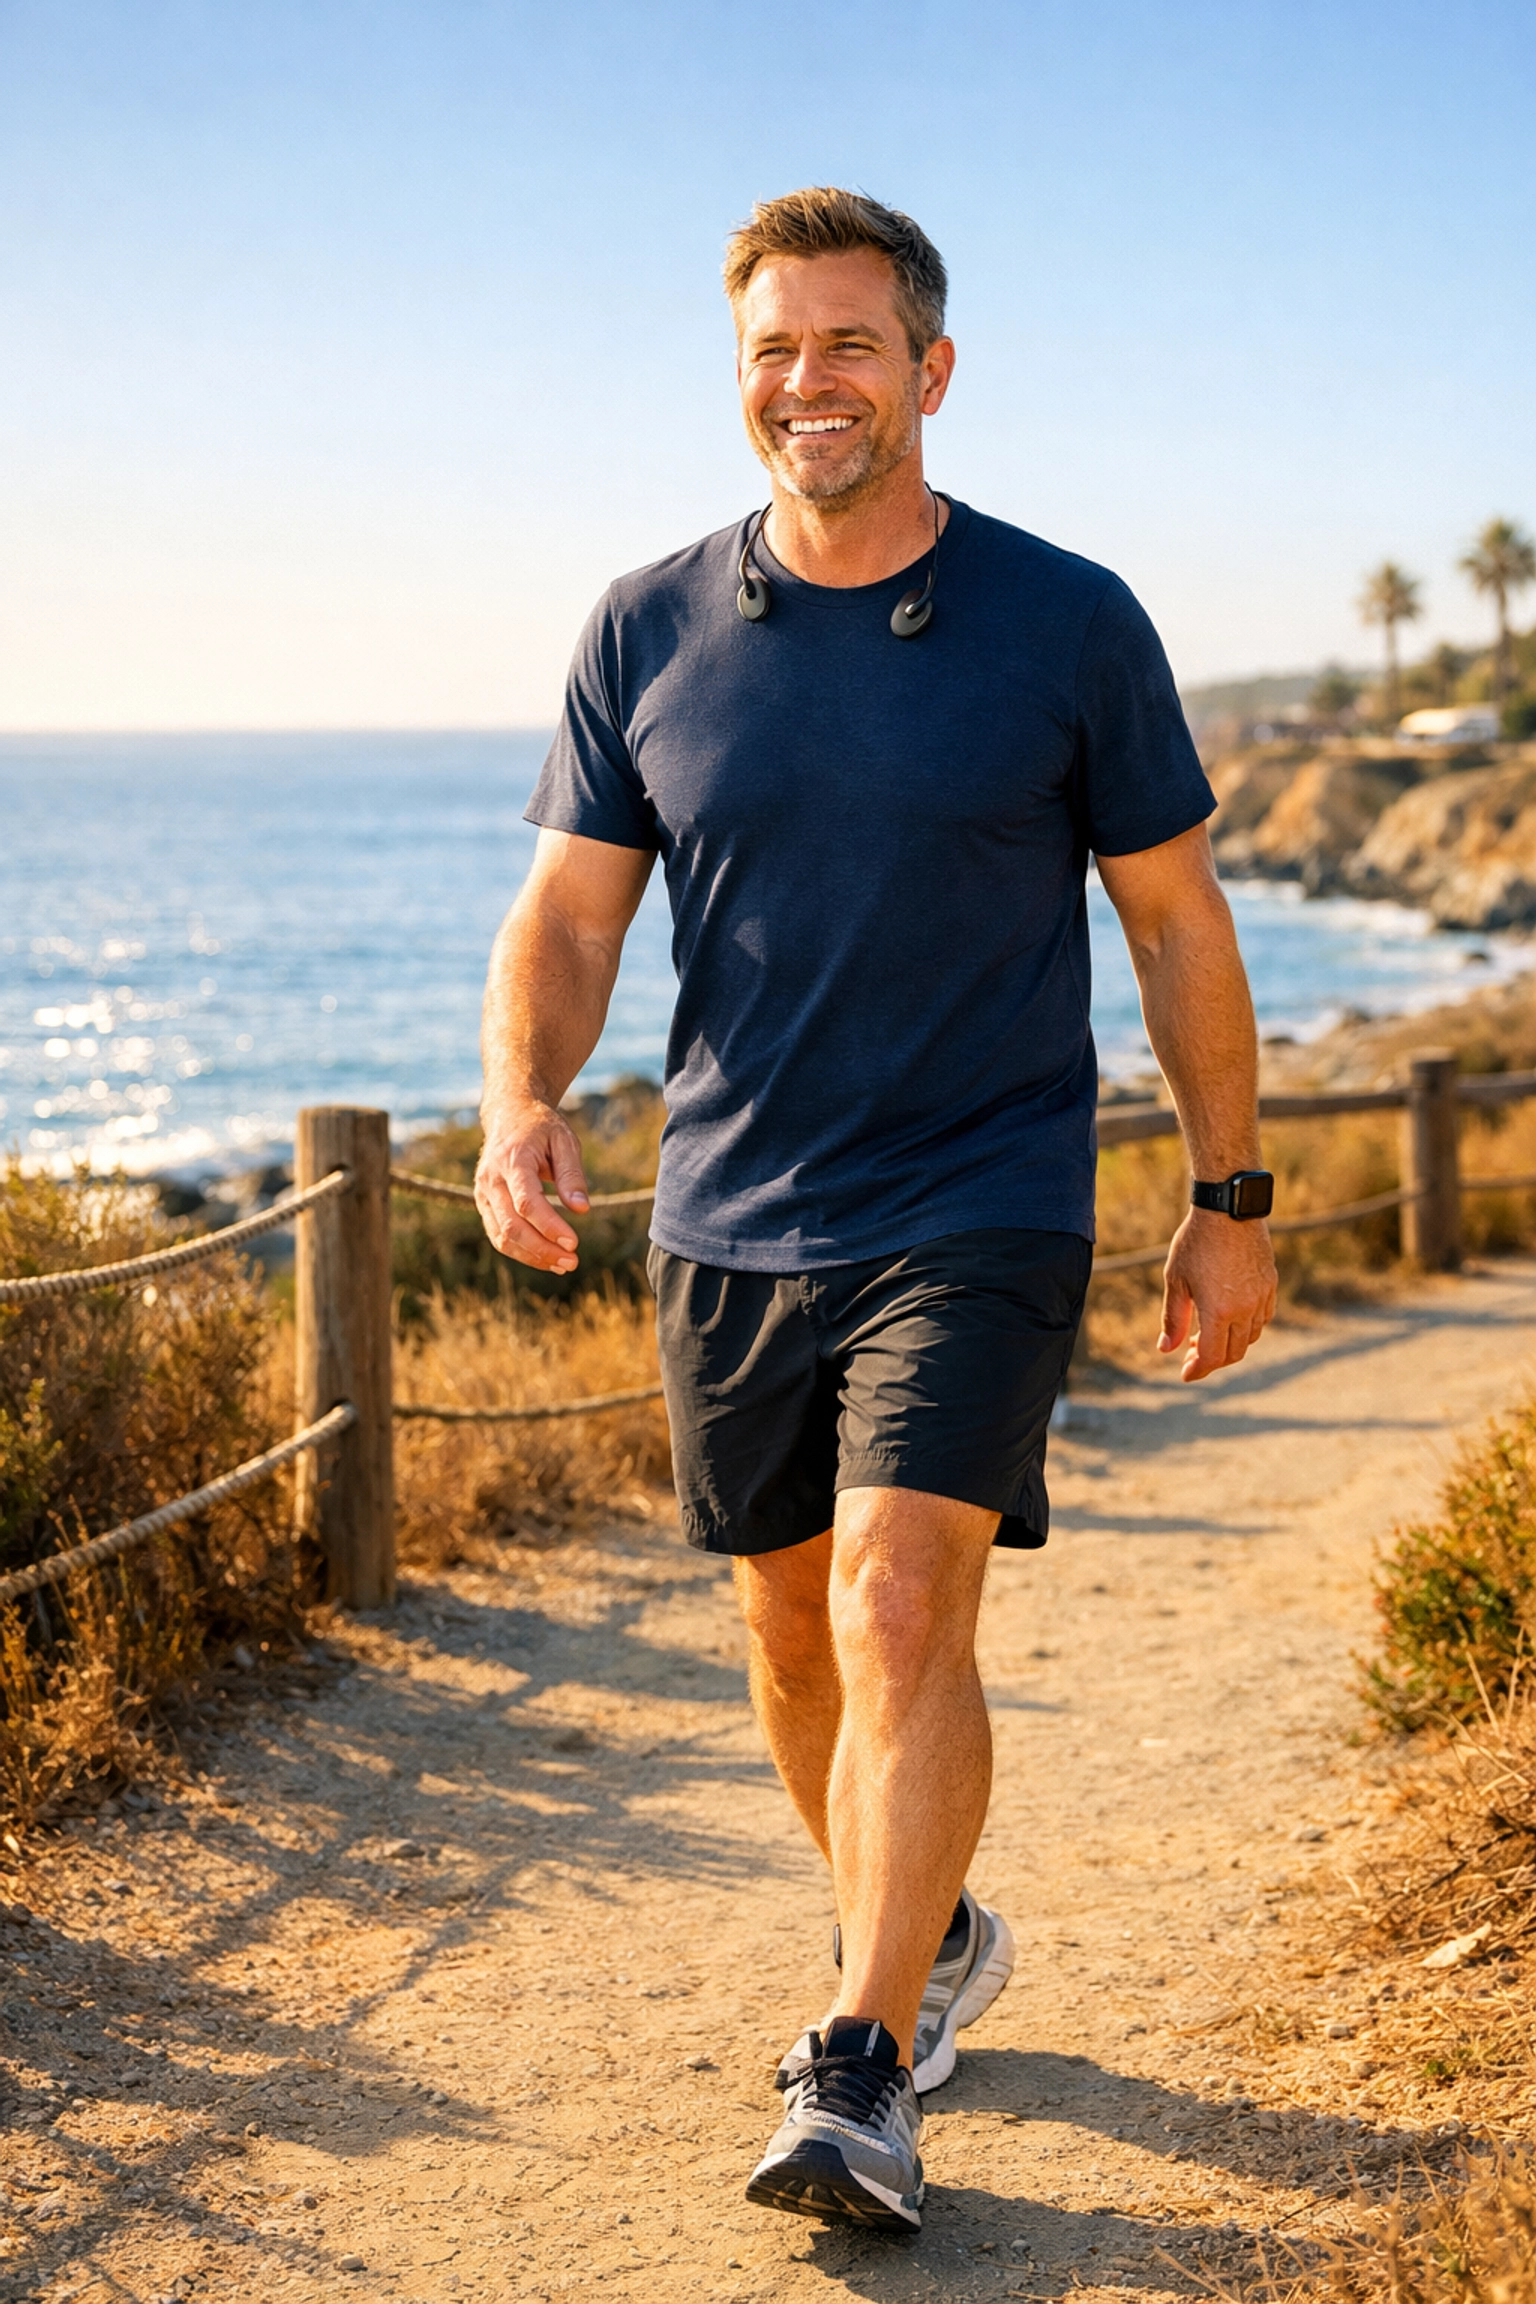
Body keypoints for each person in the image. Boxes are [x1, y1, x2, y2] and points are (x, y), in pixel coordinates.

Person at [475, 186, 1277, 2235]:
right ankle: (927, 1934)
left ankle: (853, 2059)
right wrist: (521, 1100)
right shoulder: (645, 625)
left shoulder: (1067, 619)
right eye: (772, 348)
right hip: (733, 1212)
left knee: (901, 1599)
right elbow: (573, 911)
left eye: (847, 345)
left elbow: (1174, 917)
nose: (806, 383)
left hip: (982, 1197)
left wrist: (1230, 1193)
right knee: (790, 1634)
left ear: (930, 369)